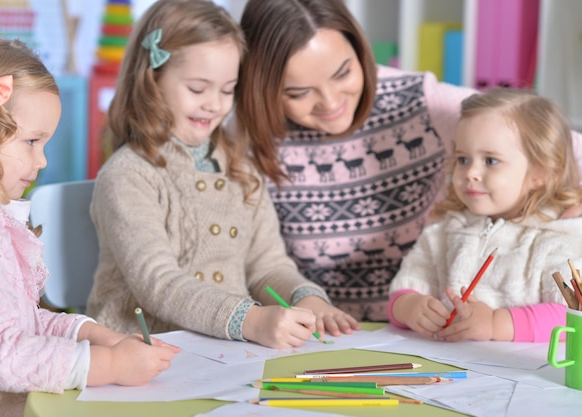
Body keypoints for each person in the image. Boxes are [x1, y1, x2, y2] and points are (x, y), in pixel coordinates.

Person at [235, 0, 582, 323]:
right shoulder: (246, 134)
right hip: (314, 331)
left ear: (360, 51)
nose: (330, 102)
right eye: (298, 93)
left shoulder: (420, 102)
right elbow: (262, 259)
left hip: (414, 334)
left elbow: (530, 131)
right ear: (263, 88)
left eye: (343, 73)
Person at [86, 0, 359, 350]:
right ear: (152, 80)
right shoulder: (129, 176)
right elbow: (158, 282)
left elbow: (268, 266)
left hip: (226, 351)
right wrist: (250, 319)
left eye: (228, 90)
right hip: (140, 352)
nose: (215, 104)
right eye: (197, 89)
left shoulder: (240, 170)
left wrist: (306, 298)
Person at [0, 35, 180, 417]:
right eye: (31, 142)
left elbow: (20, 322)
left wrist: (89, 334)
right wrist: (108, 366)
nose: (41, 161)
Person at [388, 88, 582, 342]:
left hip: (522, 377)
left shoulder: (560, 238)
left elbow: (573, 315)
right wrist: (408, 306)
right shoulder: (444, 231)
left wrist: (495, 324)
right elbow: (408, 283)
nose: (470, 173)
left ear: (540, 172)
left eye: (490, 161)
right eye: (463, 159)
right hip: (447, 367)